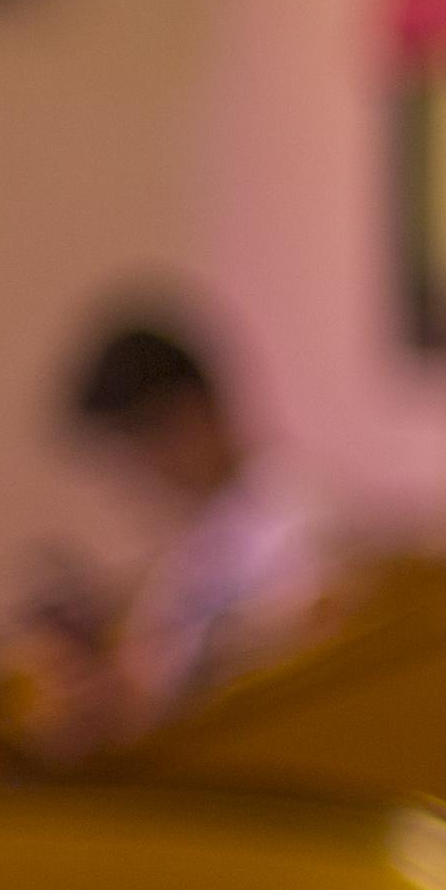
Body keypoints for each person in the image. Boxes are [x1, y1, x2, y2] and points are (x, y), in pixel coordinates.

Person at [26, 296, 337, 741]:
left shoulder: (297, 518)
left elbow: (283, 670)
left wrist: (140, 699)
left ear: (189, 416)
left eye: (137, 450)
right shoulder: (204, 528)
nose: (137, 478)